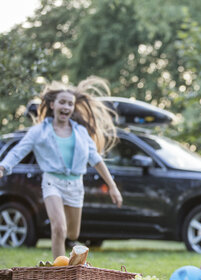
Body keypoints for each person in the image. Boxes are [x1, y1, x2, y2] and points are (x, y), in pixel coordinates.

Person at [0, 77, 122, 259]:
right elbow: (18, 151)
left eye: (70, 104)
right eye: (62, 102)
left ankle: (69, 253)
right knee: (58, 228)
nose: (66, 107)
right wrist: (3, 166)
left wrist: (112, 186)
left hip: (75, 185)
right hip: (52, 182)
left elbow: (96, 159)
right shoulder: (39, 131)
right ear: (52, 105)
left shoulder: (80, 132)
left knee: (72, 234)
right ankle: (59, 272)